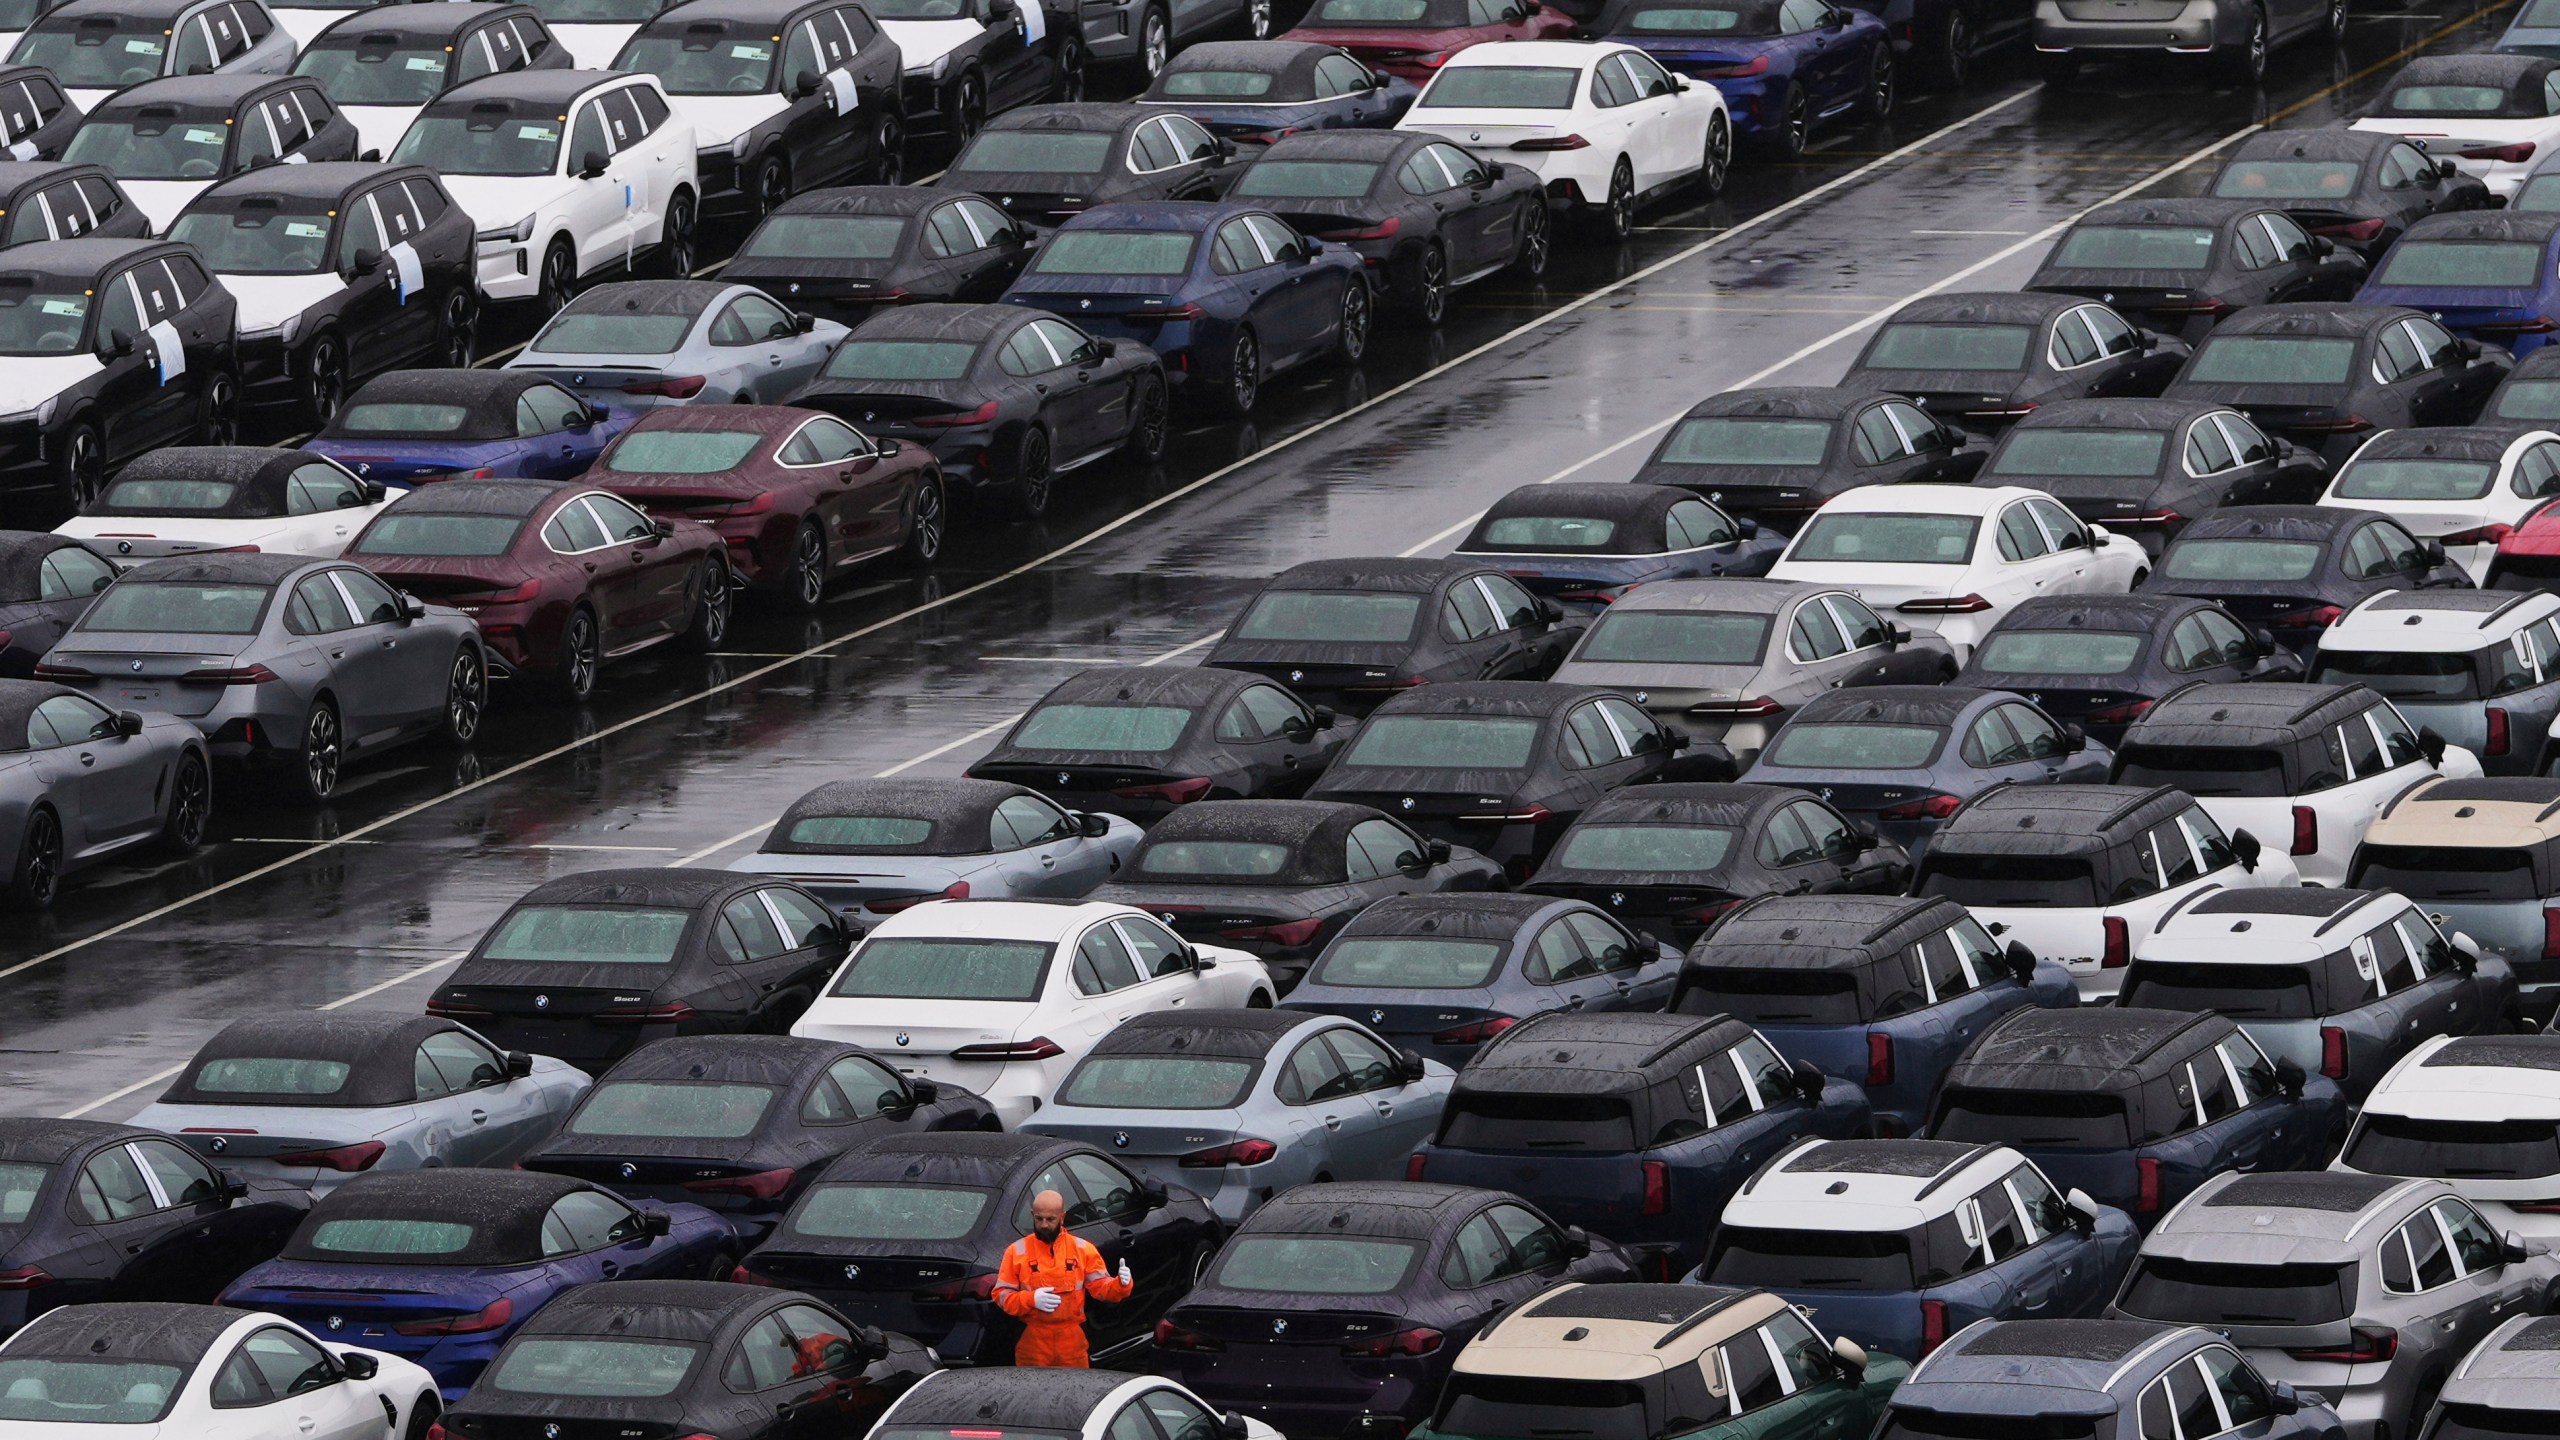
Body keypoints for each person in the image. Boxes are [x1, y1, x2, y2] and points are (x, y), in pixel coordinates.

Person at [993, 1188, 1134, 1367]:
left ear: (1062, 1216)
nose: (1044, 1225)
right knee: (1033, 1393)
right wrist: (1030, 1299)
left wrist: (1121, 1284)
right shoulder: (1016, 1251)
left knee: (1075, 1391)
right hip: (1033, 1341)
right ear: (1032, 1215)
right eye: (1039, 1218)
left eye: (1050, 1219)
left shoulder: (1082, 1249)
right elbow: (1001, 1295)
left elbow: (1102, 1289)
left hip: (1071, 1341)